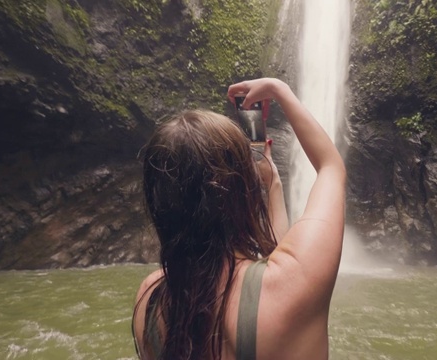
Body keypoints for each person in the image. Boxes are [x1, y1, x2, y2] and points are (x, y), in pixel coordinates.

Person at [132, 78, 346, 360]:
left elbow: (270, 268)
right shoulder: (291, 286)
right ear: (241, 192)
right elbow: (331, 168)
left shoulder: (150, 299)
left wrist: (273, 186)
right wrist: (280, 90)